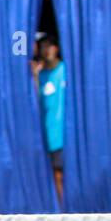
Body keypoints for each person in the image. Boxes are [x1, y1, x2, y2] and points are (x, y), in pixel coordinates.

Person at [31, 34, 66, 207]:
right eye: (43, 47)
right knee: (56, 174)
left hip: (65, 135)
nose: (47, 50)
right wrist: (35, 77)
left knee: (64, 173)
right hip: (49, 136)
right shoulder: (41, 75)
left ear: (57, 48)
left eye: (50, 46)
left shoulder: (65, 70)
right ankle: (62, 212)